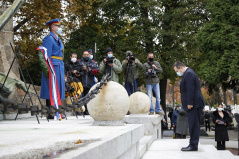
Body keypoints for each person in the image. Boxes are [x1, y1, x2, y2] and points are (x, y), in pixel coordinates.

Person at [173, 61, 205, 151]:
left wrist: (190, 103)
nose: (177, 73)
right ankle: (193, 144)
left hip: (194, 104)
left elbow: (190, 89)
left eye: (177, 71)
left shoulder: (189, 74)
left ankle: (193, 145)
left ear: (181, 67)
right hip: (194, 103)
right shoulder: (188, 73)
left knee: (193, 124)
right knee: (193, 124)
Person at [40, 19, 65, 120]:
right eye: (58, 26)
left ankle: (56, 110)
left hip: (59, 65)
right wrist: (48, 69)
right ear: (52, 28)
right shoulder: (48, 39)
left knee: (58, 88)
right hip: (52, 66)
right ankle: (50, 112)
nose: (59, 28)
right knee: (50, 87)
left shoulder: (58, 39)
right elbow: (46, 56)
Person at [78, 50, 99, 115]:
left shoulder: (93, 62)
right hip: (80, 82)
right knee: (80, 97)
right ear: (82, 55)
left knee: (88, 97)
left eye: (87, 54)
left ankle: (87, 110)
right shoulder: (79, 62)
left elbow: (97, 71)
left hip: (90, 82)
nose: (86, 56)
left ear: (89, 55)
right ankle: (80, 110)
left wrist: (89, 70)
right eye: (85, 54)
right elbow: (75, 69)